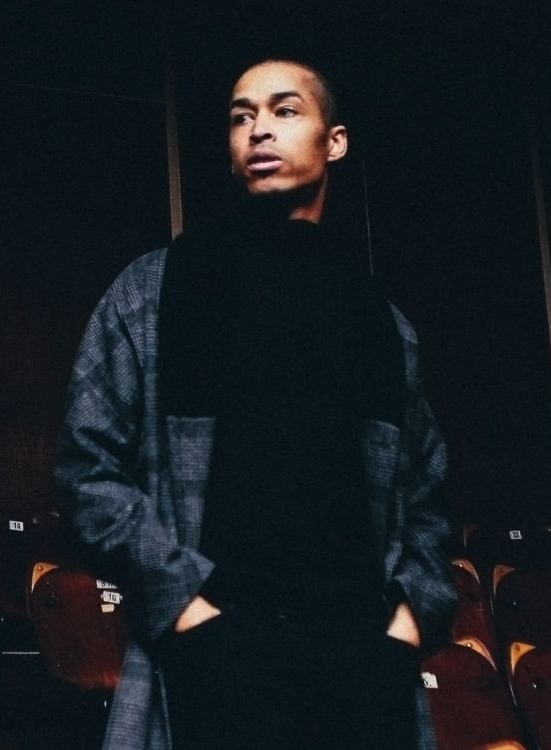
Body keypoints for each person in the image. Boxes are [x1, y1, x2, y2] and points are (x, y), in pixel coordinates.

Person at [54, 58, 456, 750]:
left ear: (335, 141)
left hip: (361, 664)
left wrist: (406, 623)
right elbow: (86, 467)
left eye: (284, 110)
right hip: (216, 656)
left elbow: (427, 498)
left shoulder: (383, 324)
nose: (258, 130)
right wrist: (185, 607)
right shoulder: (160, 290)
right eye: (242, 117)